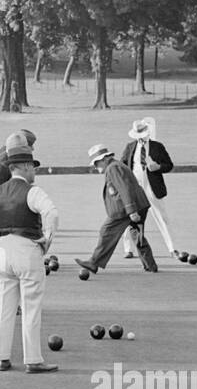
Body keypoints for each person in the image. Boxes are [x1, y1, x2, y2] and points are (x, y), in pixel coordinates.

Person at [0, 144, 60, 373]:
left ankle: (3, 357)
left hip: (2, 249)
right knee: (31, 307)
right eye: (32, 166)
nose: (34, 171)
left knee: (4, 307)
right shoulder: (33, 191)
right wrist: (47, 238)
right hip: (26, 250)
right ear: (26, 167)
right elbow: (51, 212)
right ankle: (33, 359)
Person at [74, 144, 157, 276]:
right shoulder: (115, 166)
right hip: (139, 205)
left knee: (106, 231)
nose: (96, 166)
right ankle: (150, 265)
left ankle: (93, 262)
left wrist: (131, 211)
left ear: (105, 159)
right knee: (137, 234)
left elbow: (125, 189)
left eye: (97, 162)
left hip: (125, 209)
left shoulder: (113, 168)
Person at [0, 130, 36, 313]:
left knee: (6, 261)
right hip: (2, 220)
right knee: (2, 261)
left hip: (9, 219)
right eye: (30, 146)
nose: (32, 149)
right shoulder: (1, 165)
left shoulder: (6, 161)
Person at [119, 117, 177, 260]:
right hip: (135, 187)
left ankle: (172, 248)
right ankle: (128, 249)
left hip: (152, 187)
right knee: (130, 218)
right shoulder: (130, 147)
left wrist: (159, 167)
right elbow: (122, 166)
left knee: (162, 217)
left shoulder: (158, 147)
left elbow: (169, 165)